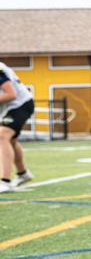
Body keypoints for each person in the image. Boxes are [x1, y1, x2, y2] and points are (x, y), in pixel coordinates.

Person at [0, 61, 35, 192]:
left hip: (19, 104)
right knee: (11, 140)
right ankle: (23, 173)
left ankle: (5, 181)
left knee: (3, 135)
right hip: (9, 108)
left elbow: (10, 94)